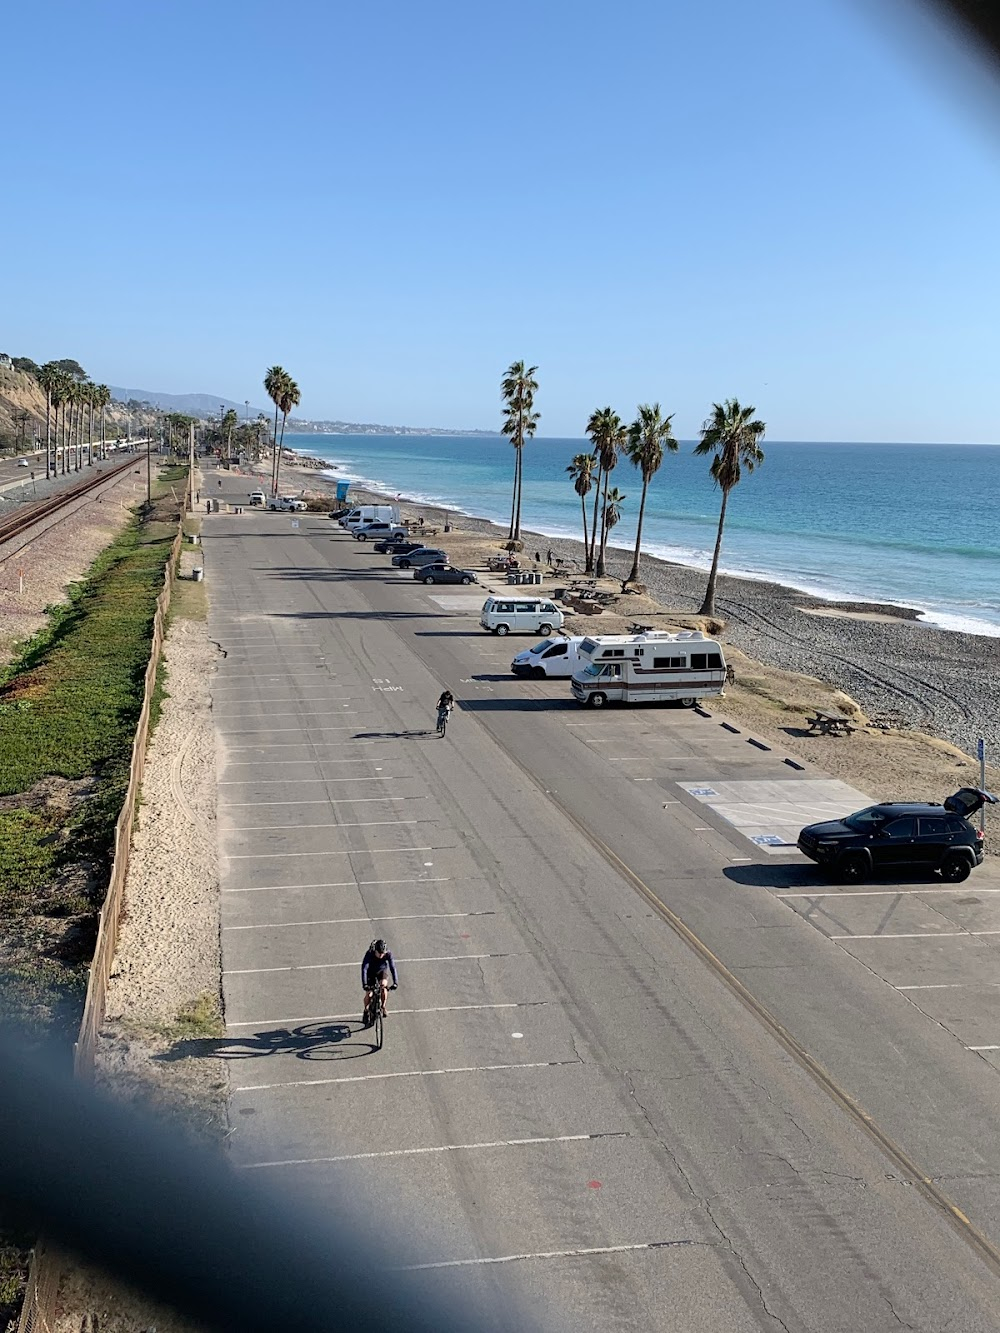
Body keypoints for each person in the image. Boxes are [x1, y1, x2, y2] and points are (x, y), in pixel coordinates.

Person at [361, 938, 398, 1026]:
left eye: (383, 953)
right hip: (371, 973)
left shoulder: (388, 953)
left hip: (382, 971)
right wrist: (365, 984)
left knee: (384, 987)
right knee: (369, 994)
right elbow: (364, 969)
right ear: (375, 951)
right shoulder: (370, 953)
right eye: (379, 953)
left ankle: (383, 1007)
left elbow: (393, 968)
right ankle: (366, 1010)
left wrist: (395, 982)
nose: (381, 955)